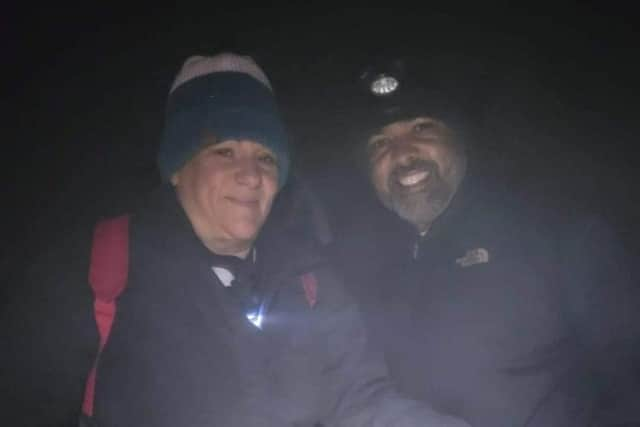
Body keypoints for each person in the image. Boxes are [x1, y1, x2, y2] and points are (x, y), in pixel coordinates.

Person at [1, 52, 471, 427]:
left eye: (266, 158)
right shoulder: (96, 268)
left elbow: (359, 400)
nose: (249, 175)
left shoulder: (310, 278)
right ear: (177, 169)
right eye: (223, 151)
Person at [329, 63, 640, 426]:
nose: (403, 154)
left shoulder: (561, 236)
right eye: (380, 143)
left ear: (458, 139)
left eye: (421, 128)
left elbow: (631, 378)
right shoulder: (353, 263)